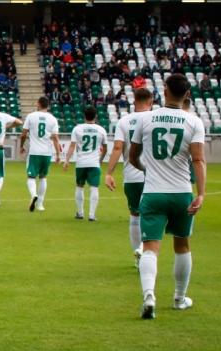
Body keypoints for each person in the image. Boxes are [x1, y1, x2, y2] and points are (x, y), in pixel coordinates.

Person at [127, 73, 206, 319]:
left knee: (150, 247)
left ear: (164, 91)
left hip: (153, 193)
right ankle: (179, 299)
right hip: (182, 192)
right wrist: (201, 194)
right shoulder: (194, 122)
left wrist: (145, 168)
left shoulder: (147, 119)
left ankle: (149, 296)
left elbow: (132, 156)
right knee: (182, 245)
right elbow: (198, 159)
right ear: (187, 95)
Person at [105, 88, 153, 266]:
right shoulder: (155, 118)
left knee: (135, 214)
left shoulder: (124, 121)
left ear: (134, 102)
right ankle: (143, 248)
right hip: (154, 176)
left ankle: (137, 258)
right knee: (152, 215)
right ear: (151, 102)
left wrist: (109, 173)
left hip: (132, 176)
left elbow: (117, 148)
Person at [63, 106, 108, 221]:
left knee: (79, 187)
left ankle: (80, 212)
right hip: (94, 163)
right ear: (96, 116)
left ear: (84, 116)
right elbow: (105, 148)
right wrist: (101, 160)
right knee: (94, 188)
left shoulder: (77, 129)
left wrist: (67, 160)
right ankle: (92, 215)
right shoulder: (101, 130)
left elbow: (72, 145)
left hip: (81, 163)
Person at [20, 97, 60, 212]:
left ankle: (33, 195)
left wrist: (21, 146)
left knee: (31, 176)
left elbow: (23, 134)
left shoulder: (31, 116)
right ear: (47, 105)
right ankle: (40, 205)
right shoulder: (53, 119)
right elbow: (55, 137)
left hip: (34, 152)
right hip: (47, 153)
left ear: (38, 104)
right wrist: (58, 154)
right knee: (43, 176)